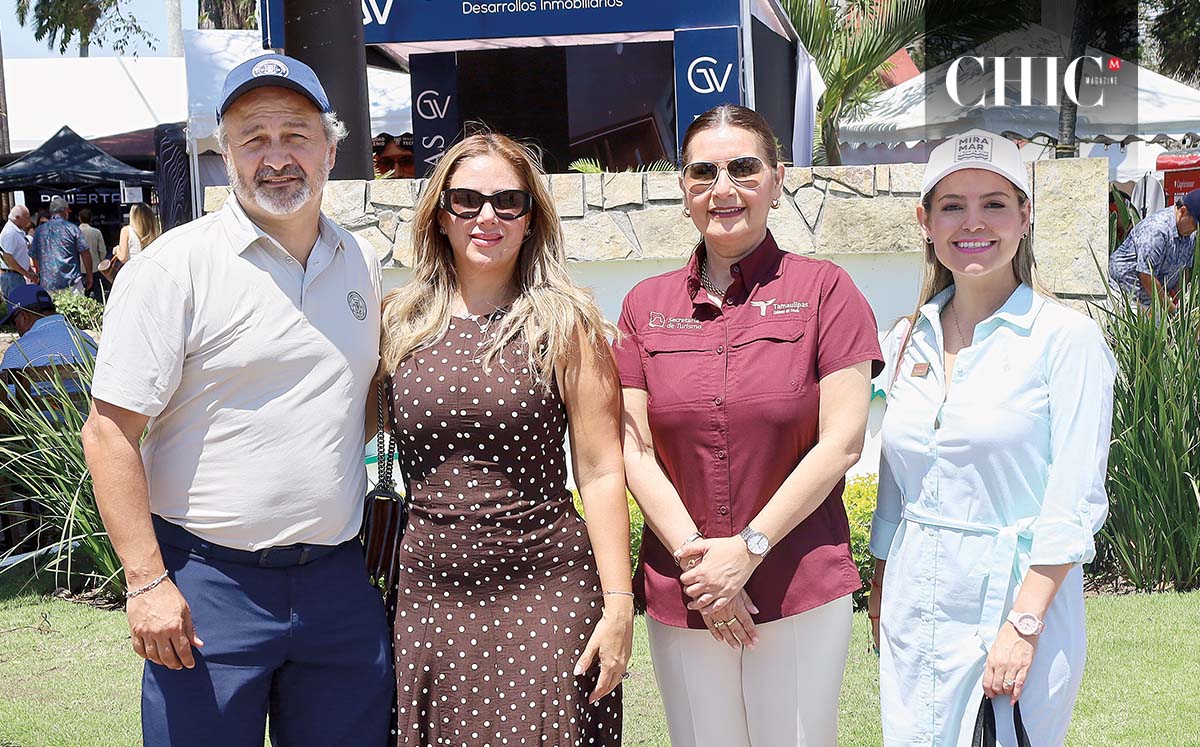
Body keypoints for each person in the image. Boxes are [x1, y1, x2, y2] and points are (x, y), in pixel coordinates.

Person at [80, 54, 393, 746]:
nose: (277, 156)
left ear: (332, 147)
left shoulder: (362, 263)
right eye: (253, 137)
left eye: (296, 134)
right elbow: (107, 435)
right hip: (206, 587)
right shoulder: (171, 270)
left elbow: (357, 401)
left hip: (337, 584)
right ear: (226, 154)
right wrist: (146, 582)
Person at [615, 104, 883, 747]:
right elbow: (632, 447)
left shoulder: (827, 291)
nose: (723, 188)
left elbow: (842, 441)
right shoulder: (643, 306)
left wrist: (747, 551)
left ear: (777, 178)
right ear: (682, 186)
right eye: (703, 172)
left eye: (743, 168)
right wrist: (704, 567)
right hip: (687, 588)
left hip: (796, 578)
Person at [381, 131, 632, 746]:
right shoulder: (398, 322)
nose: (486, 216)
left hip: (545, 585)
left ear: (530, 219)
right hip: (431, 592)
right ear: (439, 216)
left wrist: (619, 601)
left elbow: (601, 470)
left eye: (507, 202)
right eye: (465, 200)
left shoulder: (565, 322)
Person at [869, 129, 1116, 746]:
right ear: (924, 221)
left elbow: (1073, 501)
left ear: (1025, 217)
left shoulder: (1066, 340)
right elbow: (897, 487)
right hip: (914, 609)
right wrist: (880, 594)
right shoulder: (905, 340)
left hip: (1013, 606)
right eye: (952, 205)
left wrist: (1024, 625)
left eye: (994, 203)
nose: (972, 222)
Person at [1108, 188, 1199, 311]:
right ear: (1182, 211)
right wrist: (1172, 310)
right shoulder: (1156, 230)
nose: (1195, 229)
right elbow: (1146, 276)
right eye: (1195, 225)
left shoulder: (1190, 235)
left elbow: (1184, 270)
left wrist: (1180, 300)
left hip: (1154, 301)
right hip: (1126, 297)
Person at [0, 284, 96, 371]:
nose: (16, 328)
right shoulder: (87, 340)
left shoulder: (17, 352)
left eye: (13, 323)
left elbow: (5, 389)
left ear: (24, 317)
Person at [29, 196, 93, 294]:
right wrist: (89, 275)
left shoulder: (39, 231)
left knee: (51, 309)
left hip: (48, 285)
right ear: (64, 211)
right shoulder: (72, 229)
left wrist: (41, 273)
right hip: (72, 284)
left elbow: (34, 256)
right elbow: (85, 253)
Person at [1, 205, 37, 303]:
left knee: (20, 307)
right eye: (26, 217)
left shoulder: (16, 231)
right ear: (17, 218)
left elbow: (19, 255)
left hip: (16, 276)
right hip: (12, 277)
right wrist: (27, 274)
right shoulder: (10, 233)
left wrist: (30, 271)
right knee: (17, 307)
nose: (28, 220)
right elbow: (8, 257)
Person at [77, 208, 108, 302]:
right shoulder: (96, 232)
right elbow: (102, 251)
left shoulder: (75, 232)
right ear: (91, 219)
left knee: (82, 296)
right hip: (95, 267)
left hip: (80, 269)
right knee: (98, 295)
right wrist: (101, 261)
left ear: (79, 218)